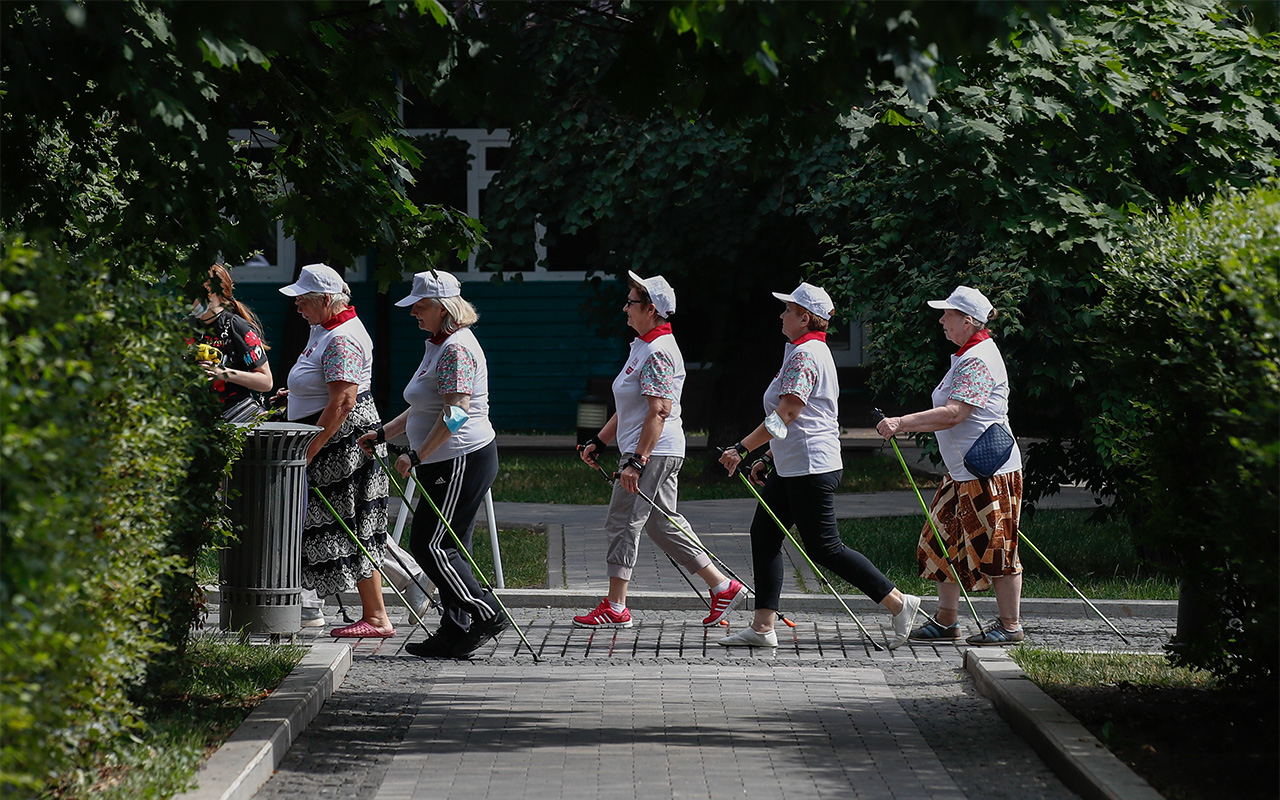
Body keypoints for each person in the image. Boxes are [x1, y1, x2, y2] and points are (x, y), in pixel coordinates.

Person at [718, 282, 921, 649]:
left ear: (805, 317)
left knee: (825, 548)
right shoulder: (801, 352)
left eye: (788, 310)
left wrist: (742, 449)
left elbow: (789, 412)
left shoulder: (806, 355)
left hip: (811, 466)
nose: (781, 315)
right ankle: (763, 627)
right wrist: (769, 456)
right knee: (764, 535)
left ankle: (899, 602)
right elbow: (801, 417)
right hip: (795, 463)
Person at [575, 272, 746, 629]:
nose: (625, 308)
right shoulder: (642, 346)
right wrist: (600, 441)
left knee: (622, 521)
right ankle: (723, 585)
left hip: (651, 451)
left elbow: (659, 411)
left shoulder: (658, 351)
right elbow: (632, 408)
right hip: (652, 449)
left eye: (631, 303)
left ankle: (616, 606)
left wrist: (636, 461)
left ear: (651, 309)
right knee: (661, 524)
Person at [359, 270, 508, 659]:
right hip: (445, 458)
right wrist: (384, 433)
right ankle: (456, 629)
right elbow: (421, 406)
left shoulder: (457, 348)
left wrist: (418, 453)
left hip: (461, 456)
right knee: (445, 545)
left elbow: (456, 413)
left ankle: (486, 612)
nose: (413, 313)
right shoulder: (438, 344)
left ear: (443, 309)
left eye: (419, 306)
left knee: (430, 544)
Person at [875, 285, 1025, 645]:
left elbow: (954, 414)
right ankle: (947, 621)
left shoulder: (977, 359)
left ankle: (1010, 626)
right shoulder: (966, 354)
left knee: (998, 548)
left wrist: (901, 422)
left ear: (969, 321)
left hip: (989, 473)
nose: (941, 320)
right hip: (963, 472)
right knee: (941, 542)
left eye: (948, 314)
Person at [276, 263, 394, 638]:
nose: (297, 306)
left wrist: (309, 449)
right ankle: (372, 615)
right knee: (352, 525)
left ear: (326, 300)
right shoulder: (325, 328)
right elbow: (324, 384)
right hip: (335, 438)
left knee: (353, 525)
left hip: (343, 445)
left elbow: (343, 401)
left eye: (303, 300)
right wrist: (295, 396)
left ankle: (376, 617)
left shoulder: (342, 337)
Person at [190, 263, 273, 420]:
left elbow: (266, 382)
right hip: (194, 418)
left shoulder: (236, 326)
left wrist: (223, 373)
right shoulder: (186, 327)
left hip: (233, 417)